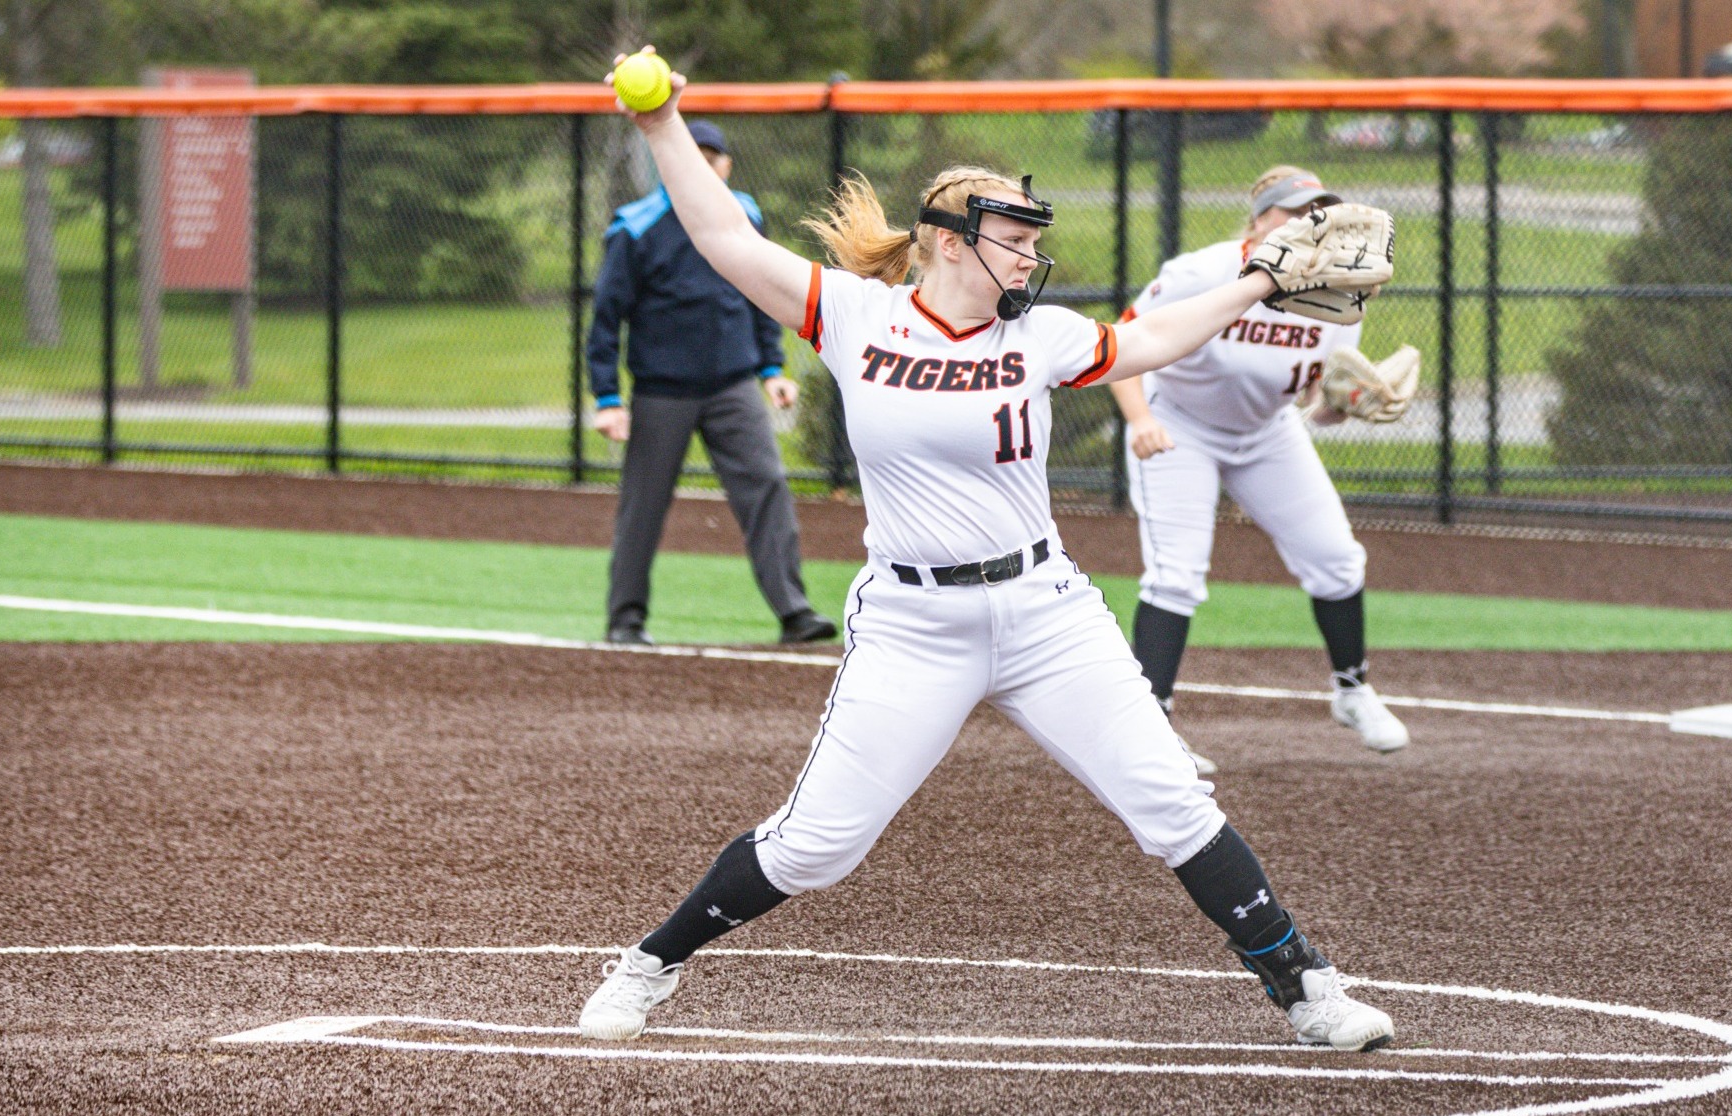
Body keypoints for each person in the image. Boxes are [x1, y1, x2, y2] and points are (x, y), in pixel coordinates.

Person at [578, 51, 1397, 1053]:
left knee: (1169, 803)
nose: (1025, 256)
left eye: (1026, 240)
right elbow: (714, 231)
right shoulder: (852, 314)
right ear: (946, 242)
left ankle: (1306, 990)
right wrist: (661, 119)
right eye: (1010, 237)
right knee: (817, 846)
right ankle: (648, 965)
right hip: (914, 624)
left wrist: (1260, 279)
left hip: (1045, 612)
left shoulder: (1040, 336)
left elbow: (1151, 338)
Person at [1113, 166, 1412, 770]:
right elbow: (1125, 342)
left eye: (1320, 211)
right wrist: (1141, 418)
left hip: (1267, 434)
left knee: (1336, 557)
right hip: (1180, 425)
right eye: (1295, 211)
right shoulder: (1202, 272)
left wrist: (1338, 406)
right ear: (1259, 221)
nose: (1309, 222)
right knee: (1176, 574)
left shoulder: (1338, 290)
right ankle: (1152, 729)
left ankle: (1353, 691)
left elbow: (1305, 396)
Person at [588, 118, 837, 647]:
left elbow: (763, 293)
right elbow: (607, 317)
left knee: (766, 489)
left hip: (733, 386)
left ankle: (795, 612)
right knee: (644, 504)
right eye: (691, 154)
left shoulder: (743, 214)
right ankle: (625, 620)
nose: (702, 164)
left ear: (726, 165)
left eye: (711, 155)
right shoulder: (635, 225)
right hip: (662, 391)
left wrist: (772, 369)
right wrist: (608, 397)